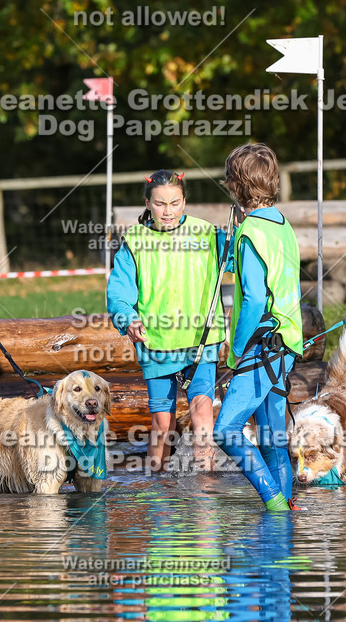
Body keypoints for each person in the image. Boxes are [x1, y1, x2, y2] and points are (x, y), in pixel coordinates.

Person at [107, 170, 232, 473]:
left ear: (184, 202)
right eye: (160, 204)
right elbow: (118, 292)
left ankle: (205, 492)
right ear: (147, 204)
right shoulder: (135, 242)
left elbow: (241, 260)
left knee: (202, 412)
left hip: (201, 341)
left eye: (175, 203)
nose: (168, 211)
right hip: (157, 343)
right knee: (162, 422)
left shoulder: (207, 234)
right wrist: (128, 318)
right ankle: (157, 489)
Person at [214, 144, 303, 512]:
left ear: (236, 185)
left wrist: (236, 351)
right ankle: (286, 510)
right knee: (272, 438)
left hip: (260, 344)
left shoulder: (251, 231)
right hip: (288, 342)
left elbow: (251, 297)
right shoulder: (281, 224)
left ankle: (274, 501)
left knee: (225, 430)